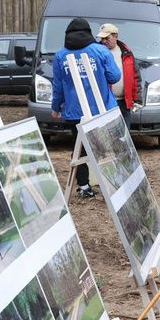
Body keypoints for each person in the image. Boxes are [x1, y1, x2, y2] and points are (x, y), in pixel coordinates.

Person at [51, 18, 121, 198]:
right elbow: (114, 76)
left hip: (75, 111)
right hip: (102, 109)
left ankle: (83, 186)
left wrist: (55, 107)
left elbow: (57, 85)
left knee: (79, 149)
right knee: (105, 147)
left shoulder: (60, 55)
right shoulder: (100, 50)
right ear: (88, 32)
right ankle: (112, 184)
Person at [96, 23, 141, 129]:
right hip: (105, 101)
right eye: (102, 38)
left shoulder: (127, 53)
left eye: (106, 38)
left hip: (124, 102)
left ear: (115, 36)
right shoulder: (97, 52)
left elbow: (136, 76)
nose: (103, 41)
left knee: (125, 133)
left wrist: (138, 98)